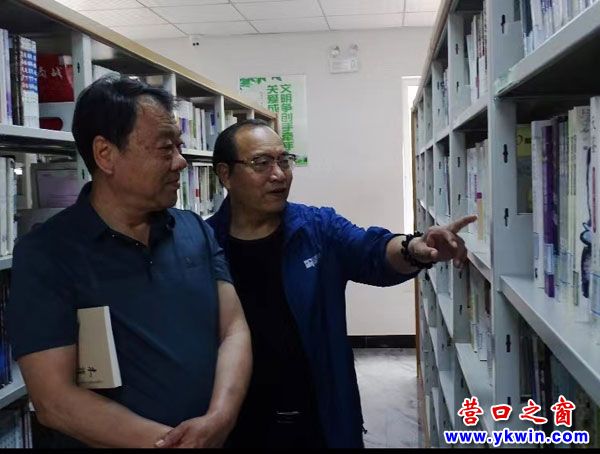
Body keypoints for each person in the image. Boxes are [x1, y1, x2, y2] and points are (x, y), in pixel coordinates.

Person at [197, 119, 476, 449]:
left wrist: (415, 248)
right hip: (235, 422)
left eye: (284, 161)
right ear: (225, 174)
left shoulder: (317, 228)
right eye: (261, 163)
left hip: (317, 418)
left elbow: (372, 250)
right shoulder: (201, 244)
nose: (279, 174)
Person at [6, 76, 252, 448]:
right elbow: (54, 400)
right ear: (105, 154)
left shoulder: (195, 231)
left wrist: (220, 418)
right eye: (165, 148)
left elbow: (233, 329)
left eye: (179, 146)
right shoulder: (47, 253)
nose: (181, 162)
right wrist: (175, 444)